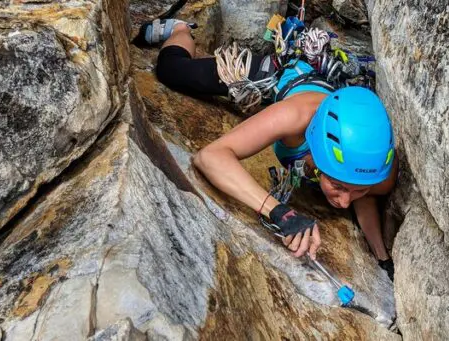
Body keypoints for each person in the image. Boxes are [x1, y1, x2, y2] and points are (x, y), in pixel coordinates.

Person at [134, 17, 397, 279]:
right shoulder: (294, 118)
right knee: (173, 71)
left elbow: (369, 196)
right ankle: (181, 29)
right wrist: (280, 212)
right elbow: (211, 156)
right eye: (338, 186)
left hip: (341, 94)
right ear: (316, 147)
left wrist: (382, 257)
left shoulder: (375, 166)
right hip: (282, 76)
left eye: (356, 189)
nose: (344, 203)